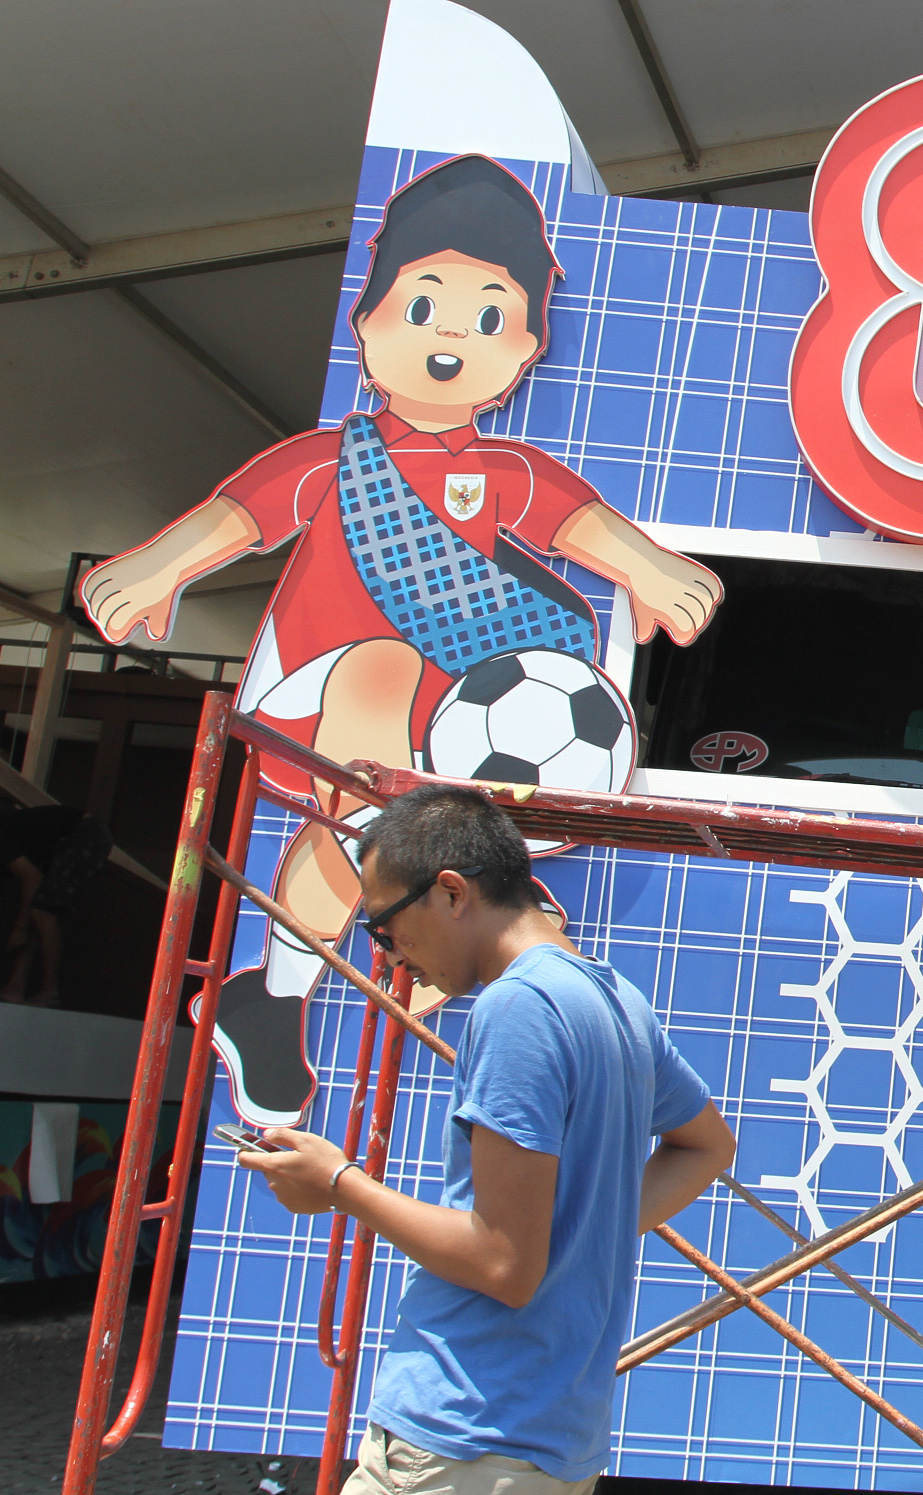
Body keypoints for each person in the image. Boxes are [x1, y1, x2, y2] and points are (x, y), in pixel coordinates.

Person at [80, 152, 723, 1129]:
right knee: (376, 690)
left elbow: (576, 521)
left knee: (353, 829)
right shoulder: (333, 459)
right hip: (315, 685)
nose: (452, 339)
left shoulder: (504, 470)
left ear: (525, 346)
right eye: (424, 307)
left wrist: (650, 567)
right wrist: (159, 565)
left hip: (434, 724)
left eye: (490, 316)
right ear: (370, 319)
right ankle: (420, 910)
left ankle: (274, 994)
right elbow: (240, 514)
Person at [238, 785, 734, 1493]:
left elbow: (502, 1262)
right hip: (543, 1439)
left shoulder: (517, 1007)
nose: (394, 957)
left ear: (449, 891)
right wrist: (579, 1233)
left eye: (385, 928)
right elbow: (709, 1146)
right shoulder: (614, 996)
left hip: (464, 1433)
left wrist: (338, 1183)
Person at [0, 802, 113, 1007]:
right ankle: (15, 987)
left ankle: (50, 990)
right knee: (39, 910)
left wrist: (20, 927)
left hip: (84, 835)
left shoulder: (4, 838)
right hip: (68, 841)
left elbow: (32, 878)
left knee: (42, 912)